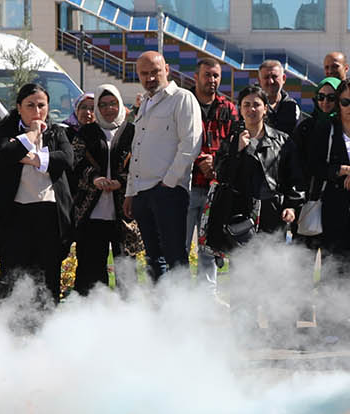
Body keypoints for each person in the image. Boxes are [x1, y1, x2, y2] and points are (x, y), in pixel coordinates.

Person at [300, 78, 350, 334]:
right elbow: (314, 165)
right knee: (334, 271)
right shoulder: (327, 129)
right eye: (345, 101)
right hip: (335, 212)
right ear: (338, 104)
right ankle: (330, 327)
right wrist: (344, 170)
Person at [0, 83, 73, 303]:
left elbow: (66, 159)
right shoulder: (7, 130)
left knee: (48, 275)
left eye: (41, 105)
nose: (37, 111)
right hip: (16, 214)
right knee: (16, 273)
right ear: (19, 107)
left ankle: (47, 323)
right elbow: (7, 153)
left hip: (49, 213)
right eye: (30, 106)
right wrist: (32, 135)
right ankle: (14, 326)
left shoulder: (57, 132)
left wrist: (36, 160)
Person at [123, 51, 199, 281]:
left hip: (168, 191)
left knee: (175, 257)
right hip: (142, 192)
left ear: (166, 69)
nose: (150, 78)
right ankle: (161, 312)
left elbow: (191, 143)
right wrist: (130, 193)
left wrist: (168, 183)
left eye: (154, 72)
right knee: (154, 259)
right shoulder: (145, 103)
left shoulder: (182, 98)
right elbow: (137, 150)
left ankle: (182, 312)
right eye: (144, 74)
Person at [201, 93, 278, 273]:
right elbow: (220, 174)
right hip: (239, 213)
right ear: (240, 109)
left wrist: (290, 205)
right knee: (241, 265)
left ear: (265, 108)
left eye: (256, 104)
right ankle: (240, 301)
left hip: (270, 209)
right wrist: (236, 150)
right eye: (246, 104)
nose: (251, 109)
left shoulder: (280, 139)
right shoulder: (232, 140)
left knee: (271, 263)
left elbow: (290, 177)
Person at [69, 84, 132, 294]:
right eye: (103, 105)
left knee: (126, 267)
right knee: (91, 268)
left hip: (124, 211)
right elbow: (76, 162)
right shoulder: (86, 132)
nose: (108, 109)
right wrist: (94, 178)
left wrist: (121, 181)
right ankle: (93, 314)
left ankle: (130, 314)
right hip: (91, 210)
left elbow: (140, 163)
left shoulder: (132, 132)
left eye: (113, 103)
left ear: (120, 104)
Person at [189, 57, 237, 282]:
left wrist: (216, 161)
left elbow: (235, 142)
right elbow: (174, 139)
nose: (212, 80)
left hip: (214, 189)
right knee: (179, 245)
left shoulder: (228, 107)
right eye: (207, 75)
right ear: (196, 76)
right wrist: (199, 159)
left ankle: (206, 299)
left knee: (209, 248)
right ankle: (176, 299)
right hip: (186, 185)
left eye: (216, 75)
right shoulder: (183, 103)